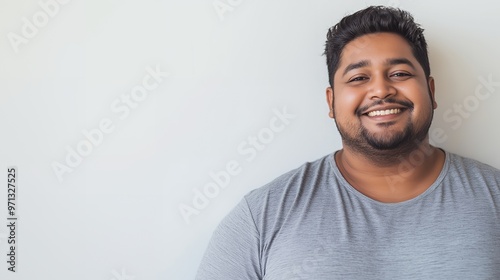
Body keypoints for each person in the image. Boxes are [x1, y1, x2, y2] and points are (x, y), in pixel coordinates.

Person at [196, 6, 500, 279]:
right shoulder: (262, 215)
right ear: (331, 102)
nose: (381, 90)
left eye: (399, 73)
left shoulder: (494, 198)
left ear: (431, 92)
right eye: (358, 78)